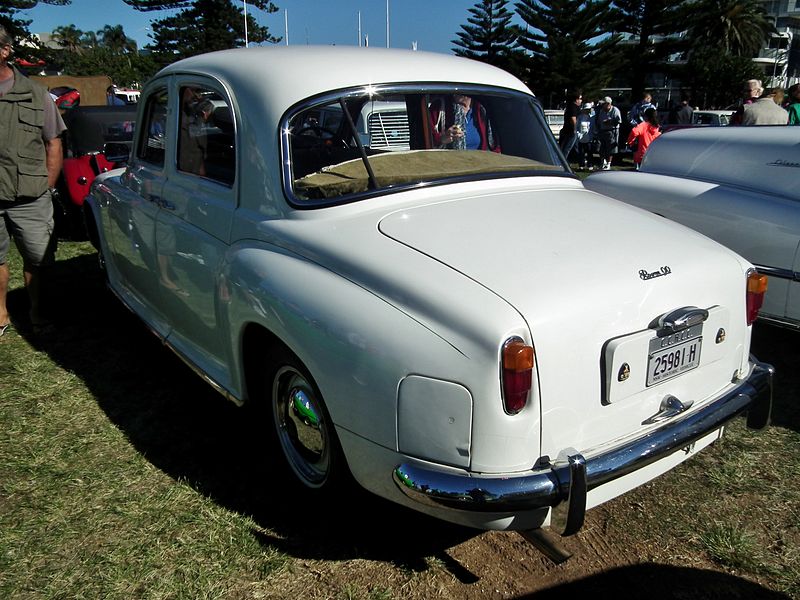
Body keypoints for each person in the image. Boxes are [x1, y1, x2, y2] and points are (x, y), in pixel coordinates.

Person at [0, 26, 66, 336]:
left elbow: (53, 143)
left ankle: (37, 312)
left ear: (5, 51)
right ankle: (1, 314)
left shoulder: (37, 95)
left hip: (31, 195)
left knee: (39, 260)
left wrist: (47, 186)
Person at [431, 94, 499, 151]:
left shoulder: (483, 107)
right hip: (450, 164)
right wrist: (442, 138)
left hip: (482, 163)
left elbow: (497, 144)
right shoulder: (439, 107)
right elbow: (425, 140)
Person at [596, 96, 621, 171]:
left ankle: (608, 163)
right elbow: (599, 121)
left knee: (610, 148)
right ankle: (603, 162)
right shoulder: (601, 111)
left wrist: (609, 121)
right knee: (601, 147)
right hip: (602, 130)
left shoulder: (615, 110)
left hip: (612, 131)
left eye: (603, 104)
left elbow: (618, 121)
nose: (602, 105)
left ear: (608, 104)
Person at [559, 90, 582, 161]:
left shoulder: (572, 107)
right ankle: (562, 161)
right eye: (580, 99)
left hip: (569, 130)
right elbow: (573, 118)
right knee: (567, 148)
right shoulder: (573, 107)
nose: (581, 100)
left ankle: (580, 161)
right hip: (571, 130)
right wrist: (575, 129)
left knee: (575, 148)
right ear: (576, 99)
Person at [575, 102, 595, 170]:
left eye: (589, 109)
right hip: (581, 137)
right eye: (586, 109)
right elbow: (577, 126)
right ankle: (581, 165)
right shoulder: (580, 117)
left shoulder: (592, 117)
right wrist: (578, 134)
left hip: (589, 137)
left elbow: (593, 127)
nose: (588, 111)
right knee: (581, 152)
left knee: (590, 152)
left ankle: (590, 165)